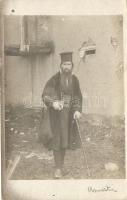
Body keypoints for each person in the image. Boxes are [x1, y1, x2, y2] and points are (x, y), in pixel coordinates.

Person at [42, 52, 82, 179]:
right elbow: (45, 95)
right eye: (64, 64)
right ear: (60, 65)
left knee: (65, 140)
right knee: (57, 141)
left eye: (69, 64)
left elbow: (77, 96)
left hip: (68, 115)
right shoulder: (54, 79)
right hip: (56, 115)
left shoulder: (74, 80)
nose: (66, 66)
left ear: (72, 66)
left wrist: (77, 110)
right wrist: (53, 103)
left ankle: (61, 166)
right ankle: (58, 169)